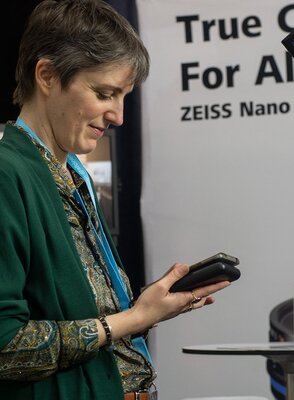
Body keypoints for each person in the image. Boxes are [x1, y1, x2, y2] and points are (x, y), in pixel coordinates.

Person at [0, 1, 230, 399]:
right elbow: (6, 347)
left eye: (123, 96)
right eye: (104, 93)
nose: (118, 116)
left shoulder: (74, 173)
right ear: (47, 75)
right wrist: (131, 320)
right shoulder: (8, 174)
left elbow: (82, 317)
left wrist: (147, 309)